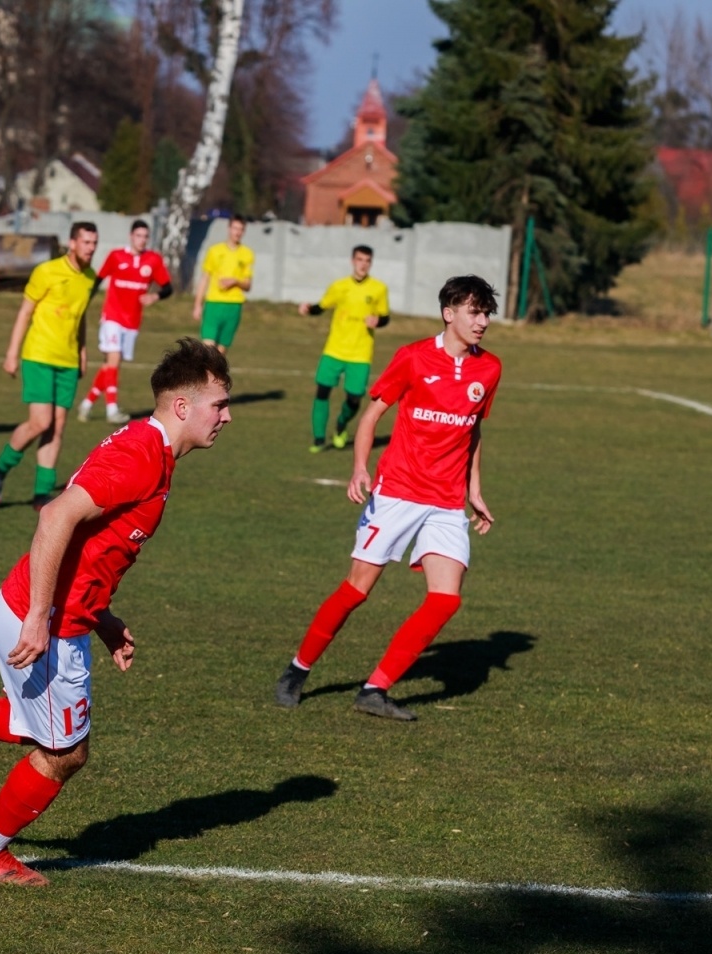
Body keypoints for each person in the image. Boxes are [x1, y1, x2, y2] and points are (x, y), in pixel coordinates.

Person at [0, 339, 234, 885]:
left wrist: (103, 619)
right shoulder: (141, 455)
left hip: (47, 612)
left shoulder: (150, 448)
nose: (226, 417)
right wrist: (40, 617)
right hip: (44, 622)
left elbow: (92, 548)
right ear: (182, 406)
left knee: (35, 726)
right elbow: (55, 517)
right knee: (65, 754)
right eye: (219, 405)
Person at [274, 275, 501, 721]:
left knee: (445, 599)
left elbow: (473, 429)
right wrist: (360, 467)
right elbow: (372, 415)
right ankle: (298, 669)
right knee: (356, 590)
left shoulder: (489, 368)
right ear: (448, 313)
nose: (482, 322)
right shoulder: (413, 357)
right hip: (398, 491)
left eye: (486, 313)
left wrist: (474, 489)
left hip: (446, 500)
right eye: (474, 312)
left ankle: (375, 689)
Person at [0, 221, 99, 510]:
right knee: (40, 422)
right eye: (86, 242)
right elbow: (25, 312)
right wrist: (12, 353)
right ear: (72, 243)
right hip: (39, 355)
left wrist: (83, 352)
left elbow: (80, 317)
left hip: (68, 361)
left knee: (57, 427)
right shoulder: (46, 271)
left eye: (94, 243)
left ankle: (42, 493)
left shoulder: (90, 277)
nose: (91, 248)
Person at [78, 219, 173, 425]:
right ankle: (112, 409)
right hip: (112, 317)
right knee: (113, 360)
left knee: (110, 366)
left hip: (132, 322)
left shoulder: (153, 260)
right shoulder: (116, 256)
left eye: (145, 236)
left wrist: (154, 296)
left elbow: (168, 288)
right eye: (138, 235)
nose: (142, 240)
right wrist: (82, 305)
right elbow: (97, 281)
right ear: (131, 236)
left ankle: (86, 404)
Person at [300, 245, 390, 453]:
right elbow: (322, 307)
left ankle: (341, 424)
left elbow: (385, 317)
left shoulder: (379, 288)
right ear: (352, 261)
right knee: (322, 391)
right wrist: (308, 309)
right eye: (359, 259)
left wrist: (378, 321)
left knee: (355, 397)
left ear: (371, 263)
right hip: (334, 350)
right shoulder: (339, 286)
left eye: (367, 260)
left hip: (360, 353)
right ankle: (319, 438)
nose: (363, 264)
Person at [192, 214, 253, 353]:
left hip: (234, 305)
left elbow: (248, 285)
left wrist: (236, 281)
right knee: (208, 349)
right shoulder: (214, 251)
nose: (237, 232)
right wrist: (197, 305)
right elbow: (205, 278)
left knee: (220, 353)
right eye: (235, 228)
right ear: (229, 228)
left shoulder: (247, 254)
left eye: (241, 229)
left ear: (244, 231)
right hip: (213, 303)